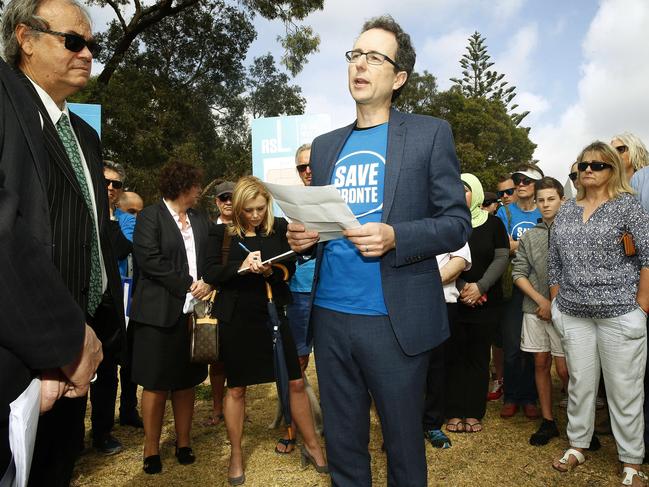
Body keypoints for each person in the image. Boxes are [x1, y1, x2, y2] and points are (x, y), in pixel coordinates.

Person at [286, 15, 471, 486]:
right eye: (354, 55)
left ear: (399, 77)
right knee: (344, 444)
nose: (360, 65)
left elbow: (455, 222)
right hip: (329, 316)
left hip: (395, 319)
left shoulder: (429, 134)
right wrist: (305, 239)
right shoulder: (327, 147)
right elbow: (326, 224)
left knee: (403, 445)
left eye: (374, 57)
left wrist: (397, 236)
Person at [2, 0, 127, 484]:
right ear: (25, 38)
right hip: (24, 354)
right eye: (73, 40)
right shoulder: (4, 97)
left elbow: (90, 232)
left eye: (92, 44)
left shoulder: (85, 135)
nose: (87, 53)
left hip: (83, 352)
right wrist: (60, 337)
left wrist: (98, 330)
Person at [205, 176, 327, 485]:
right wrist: (241, 266)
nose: (256, 215)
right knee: (236, 388)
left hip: (273, 314)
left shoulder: (280, 229)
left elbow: (291, 267)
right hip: (238, 318)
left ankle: (314, 447)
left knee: (296, 382)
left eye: (261, 208)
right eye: (249, 210)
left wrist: (274, 270)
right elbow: (211, 272)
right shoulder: (221, 233)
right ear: (238, 208)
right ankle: (236, 455)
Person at [549, 141, 649, 486]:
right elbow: (554, 260)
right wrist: (557, 301)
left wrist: (643, 304)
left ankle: (631, 462)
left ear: (613, 171)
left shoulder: (628, 206)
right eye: (583, 164)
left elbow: (647, 256)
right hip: (574, 313)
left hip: (620, 312)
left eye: (597, 165)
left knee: (625, 390)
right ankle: (577, 445)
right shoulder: (565, 210)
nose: (588, 169)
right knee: (580, 384)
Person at [129, 160, 214, 475]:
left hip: (193, 314)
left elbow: (211, 256)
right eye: (195, 187)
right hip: (157, 315)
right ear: (182, 187)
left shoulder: (199, 219)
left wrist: (211, 280)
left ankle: (183, 442)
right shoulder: (150, 217)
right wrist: (188, 285)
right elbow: (148, 259)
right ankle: (151, 448)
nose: (198, 193)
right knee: (154, 384)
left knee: (186, 381)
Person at [444, 173, 509, 434]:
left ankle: (473, 412)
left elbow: (502, 258)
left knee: (479, 358)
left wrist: (481, 286)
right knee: (454, 357)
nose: (460, 195)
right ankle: (452, 411)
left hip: (487, 301)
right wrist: (463, 288)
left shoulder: (494, 224)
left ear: (477, 193)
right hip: (454, 300)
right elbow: (444, 259)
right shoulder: (447, 224)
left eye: (466, 190)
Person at [512, 177, 568, 446]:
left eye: (551, 199)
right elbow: (519, 273)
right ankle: (548, 421)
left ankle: (579, 422)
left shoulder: (573, 231)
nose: (545, 205)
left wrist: (556, 304)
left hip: (569, 310)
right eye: (541, 200)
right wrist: (541, 302)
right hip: (534, 309)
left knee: (567, 369)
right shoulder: (531, 235)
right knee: (541, 364)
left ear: (562, 200)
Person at [275, 143, 323, 452]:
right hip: (300, 294)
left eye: (311, 164)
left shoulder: (337, 197)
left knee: (337, 364)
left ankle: (333, 426)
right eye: (300, 167)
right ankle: (292, 427)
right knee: (297, 364)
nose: (307, 171)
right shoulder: (289, 205)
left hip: (333, 292)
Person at [496, 164, 543, 420]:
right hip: (512, 287)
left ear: (538, 183)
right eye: (517, 180)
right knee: (512, 344)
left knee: (535, 347)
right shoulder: (506, 212)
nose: (520, 184)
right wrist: (532, 244)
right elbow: (502, 245)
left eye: (526, 180)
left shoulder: (545, 209)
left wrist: (518, 245)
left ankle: (530, 397)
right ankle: (512, 396)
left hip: (540, 286)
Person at [423, 243, 471, 448]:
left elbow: (459, 262)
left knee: (437, 366)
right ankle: (404, 427)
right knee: (405, 369)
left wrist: (420, 283)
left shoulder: (449, 223)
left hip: (442, 304)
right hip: (403, 304)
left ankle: (432, 424)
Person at [204, 180, 235, 427]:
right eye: (223, 198)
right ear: (216, 202)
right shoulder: (206, 229)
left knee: (236, 356)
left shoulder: (247, 228)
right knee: (216, 357)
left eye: (232, 197)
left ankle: (236, 405)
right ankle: (216, 407)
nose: (228, 202)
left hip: (238, 299)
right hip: (213, 298)